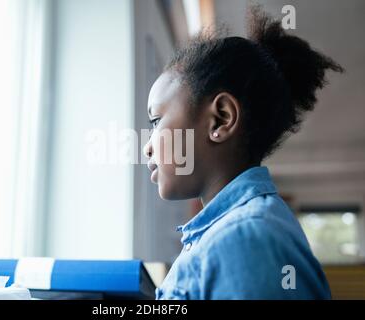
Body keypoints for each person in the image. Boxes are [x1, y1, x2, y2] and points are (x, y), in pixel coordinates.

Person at [142, 6, 343, 299]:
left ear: (221, 119)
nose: (147, 146)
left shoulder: (244, 239)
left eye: (157, 121)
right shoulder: (228, 235)